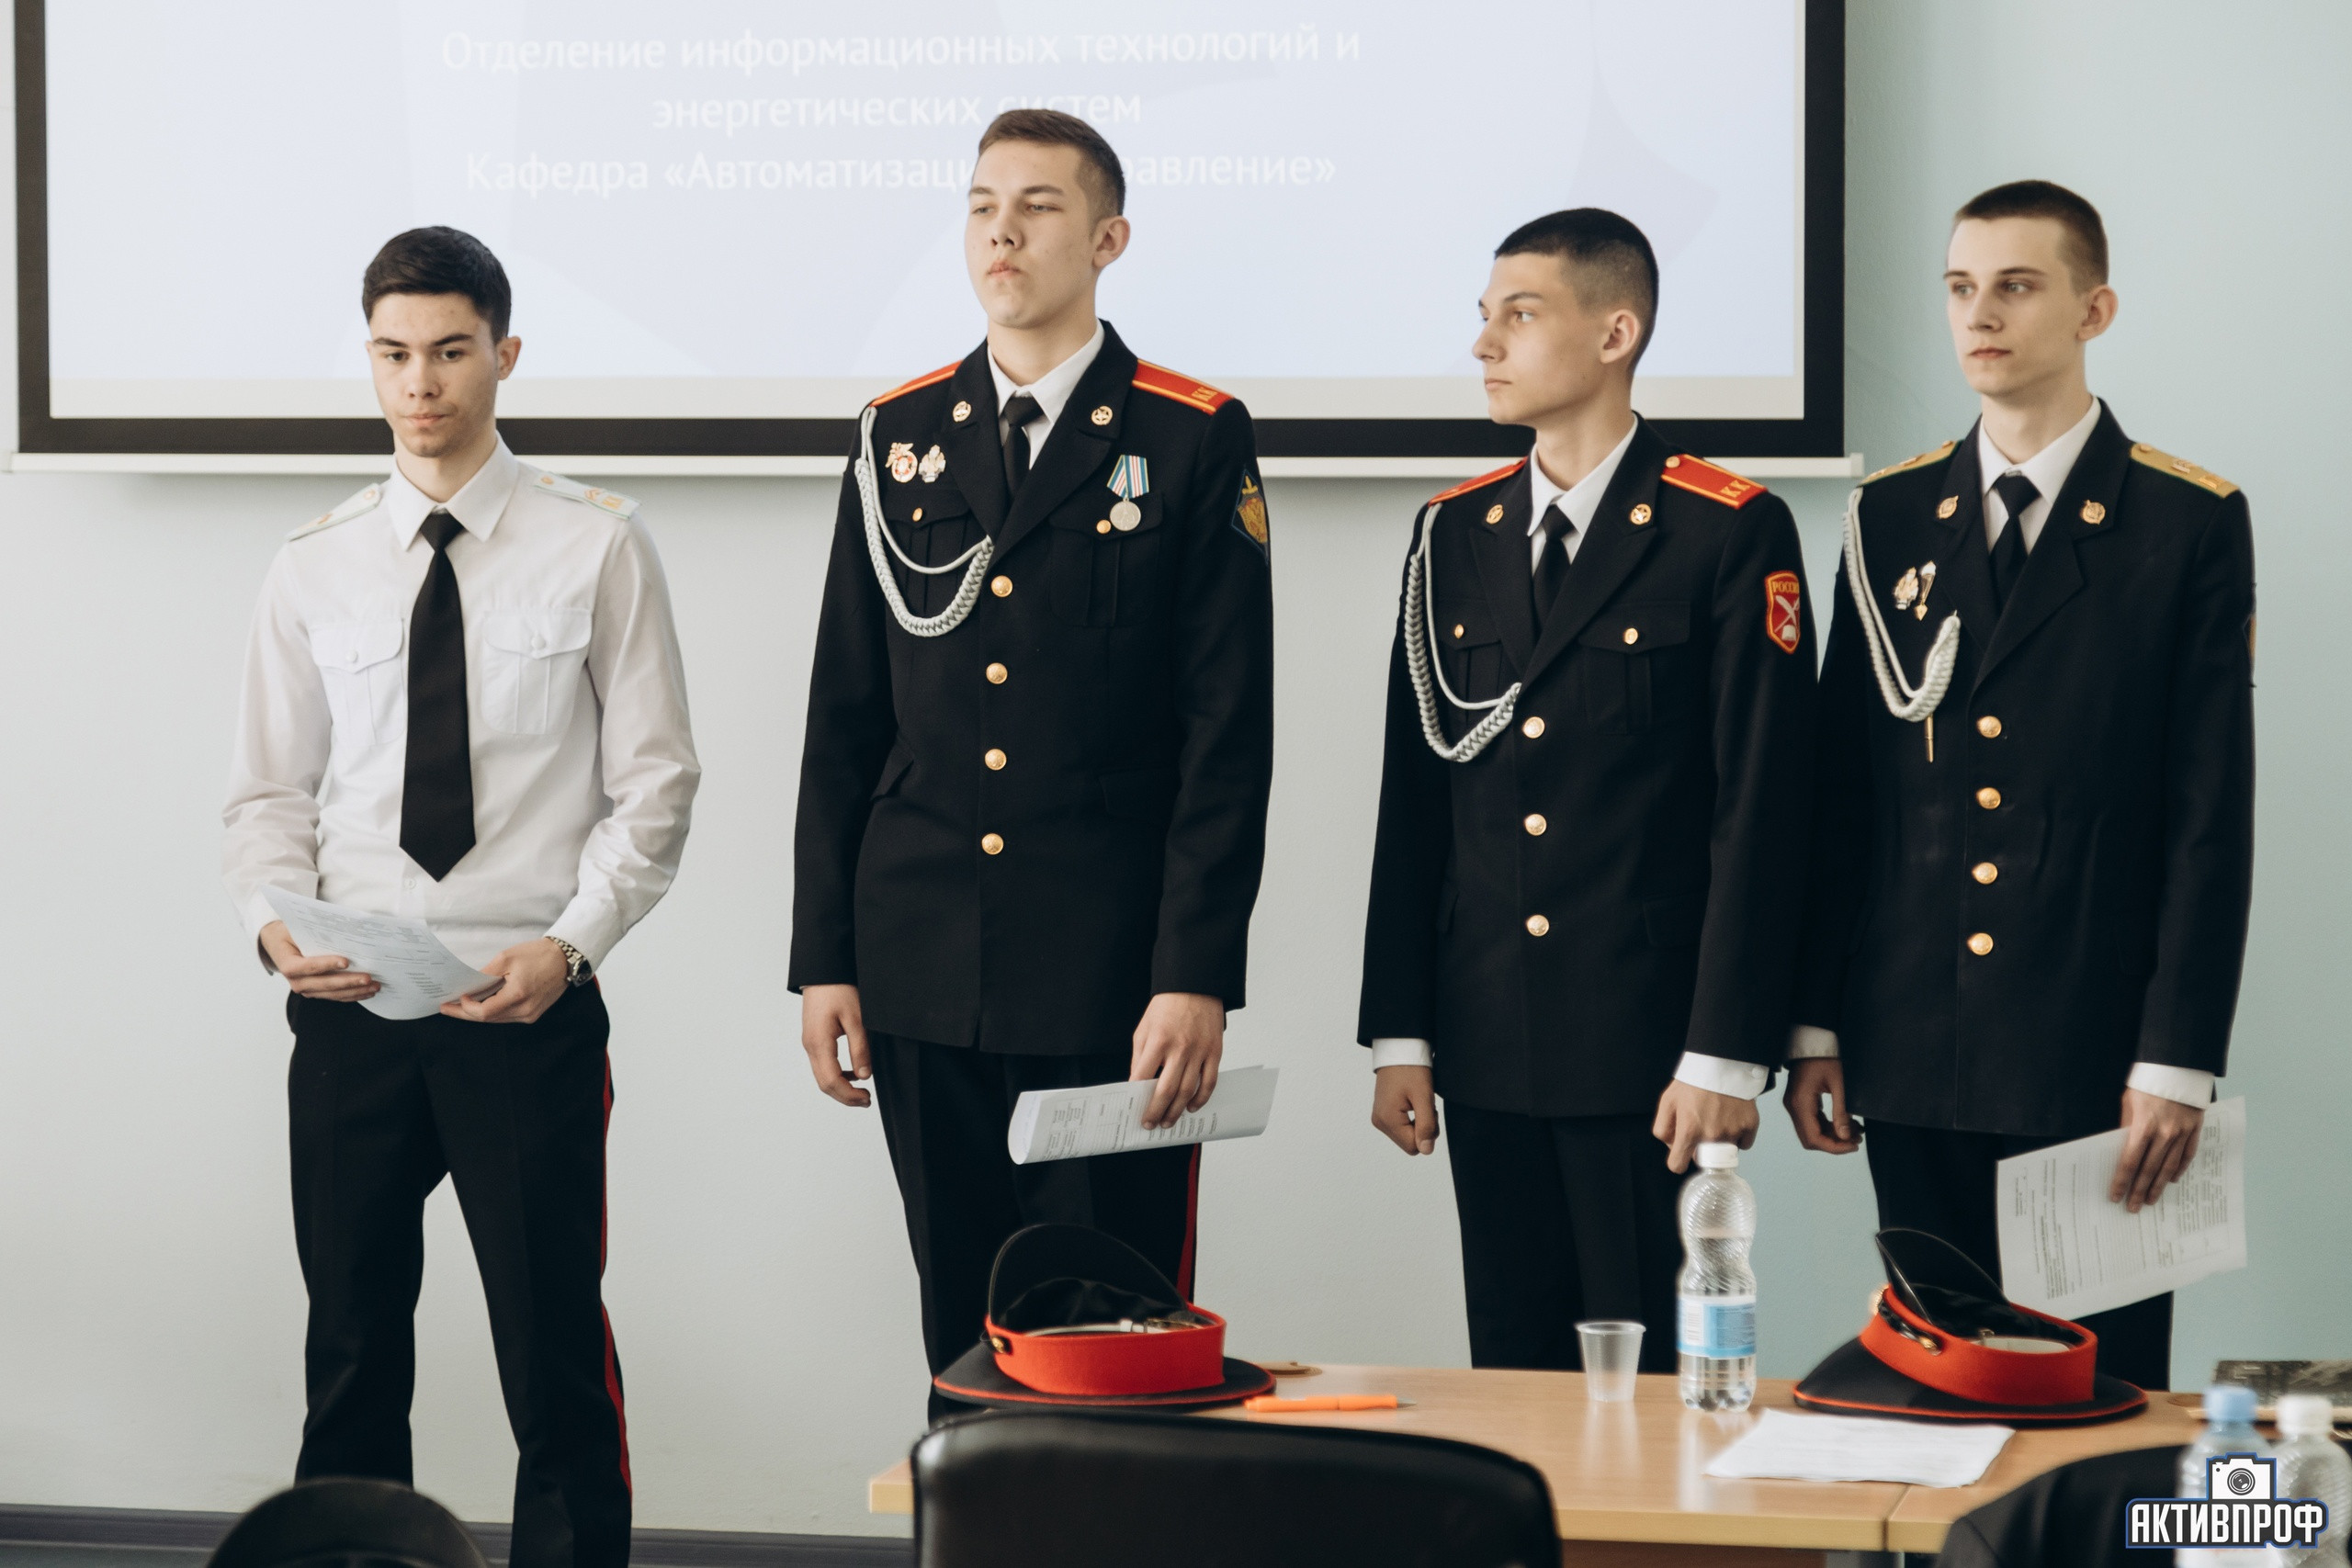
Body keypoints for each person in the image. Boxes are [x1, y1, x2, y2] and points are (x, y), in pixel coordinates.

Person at [221, 228, 699, 1568]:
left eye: (447, 351)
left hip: (521, 1003)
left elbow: (656, 783)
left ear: (504, 354)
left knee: (552, 1345)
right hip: (353, 1005)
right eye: (392, 354)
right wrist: (275, 925)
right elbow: (266, 793)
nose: (419, 383)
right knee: (352, 1341)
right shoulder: (313, 560)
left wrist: (571, 946)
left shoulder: (596, 544)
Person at [789, 110, 1275, 1415]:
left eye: (1039, 206)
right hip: (921, 961)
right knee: (962, 1324)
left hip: (1110, 975)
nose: (1001, 231)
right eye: (981, 204)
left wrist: (1193, 972)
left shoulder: (1189, 435)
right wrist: (825, 954)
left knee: (1116, 1328)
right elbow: (845, 715)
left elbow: (1226, 736)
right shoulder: (898, 433)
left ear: (1109, 240)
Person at [1784, 180, 2255, 1391]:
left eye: (2015, 285)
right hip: (1911, 1040)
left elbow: (2208, 817)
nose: (1978, 314)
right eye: (1959, 287)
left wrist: (2177, 1058)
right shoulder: (1891, 516)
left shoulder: (2183, 521)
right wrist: (1817, 1020)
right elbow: (1844, 796)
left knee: (2099, 1399)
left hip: (2097, 1051)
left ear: (2094, 310)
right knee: (1940, 1396)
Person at [1355, 209, 1817, 1372]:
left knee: (1659, 1383)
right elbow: (1416, 802)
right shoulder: (1450, 532)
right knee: (1515, 1374)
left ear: (1616, 334)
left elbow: (1765, 813)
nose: (1484, 345)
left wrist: (1723, 1055)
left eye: (1519, 316)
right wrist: (1401, 1033)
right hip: (1486, 1036)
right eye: (1483, 317)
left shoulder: (1727, 528)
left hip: (1650, 1050)